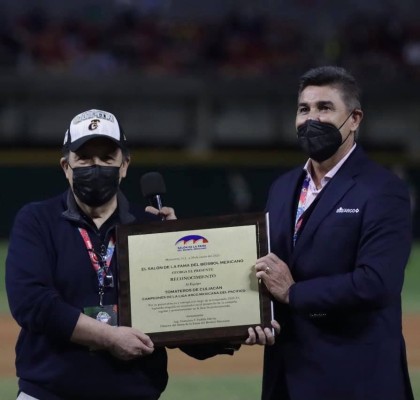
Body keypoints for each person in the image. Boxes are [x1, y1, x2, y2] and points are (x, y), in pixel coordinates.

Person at [5, 108, 277, 400]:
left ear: (124, 166)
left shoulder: (150, 228)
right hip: (49, 392)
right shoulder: (37, 220)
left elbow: (181, 325)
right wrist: (109, 337)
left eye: (107, 158)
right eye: (84, 158)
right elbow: (32, 303)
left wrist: (237, 326)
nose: (95, 166)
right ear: (65, 166)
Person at [255, 66, 414, 400]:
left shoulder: (384, 190)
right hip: (286, 377)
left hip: (356, 380)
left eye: (325, 108)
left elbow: (376, 283)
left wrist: (294, 294)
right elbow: (263, 264)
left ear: (354, 119)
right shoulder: (282, 187)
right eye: (304, 109)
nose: (312, 118)